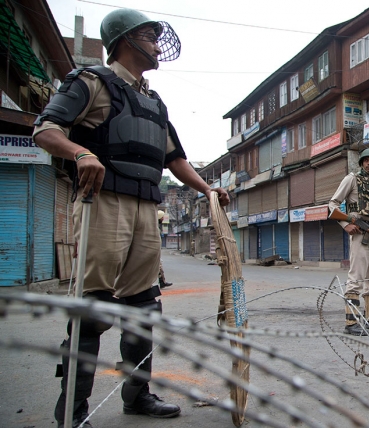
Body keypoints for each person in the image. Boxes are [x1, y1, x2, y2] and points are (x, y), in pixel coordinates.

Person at [33, 9, 229, 427]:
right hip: (103, 203)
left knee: (144, 307)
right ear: (124, 40)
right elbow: (46, 129)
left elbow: (175, 159)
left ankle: (137, 395)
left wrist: (208, 190)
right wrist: (81, 153)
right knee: (94, 308)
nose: (158, 45)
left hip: (146, 211)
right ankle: (72, 410)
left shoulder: (155, 103)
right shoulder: (90, 83)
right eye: (149, 36)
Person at [329, 147, 369, 336]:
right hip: (360, 232)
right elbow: (332, 204)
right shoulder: (352, 179)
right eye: (366, 160)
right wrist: (344, 223)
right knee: (356, 277)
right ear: (361, 163)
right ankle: (351, 323)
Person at [157, 210, 172, 288]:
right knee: (158, 267)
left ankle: (162, 282)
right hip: (153, 250)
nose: (163, 219)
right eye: (162, 217)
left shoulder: (157, 226)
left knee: (159, 267)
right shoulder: (154, 226)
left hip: (156, 250)